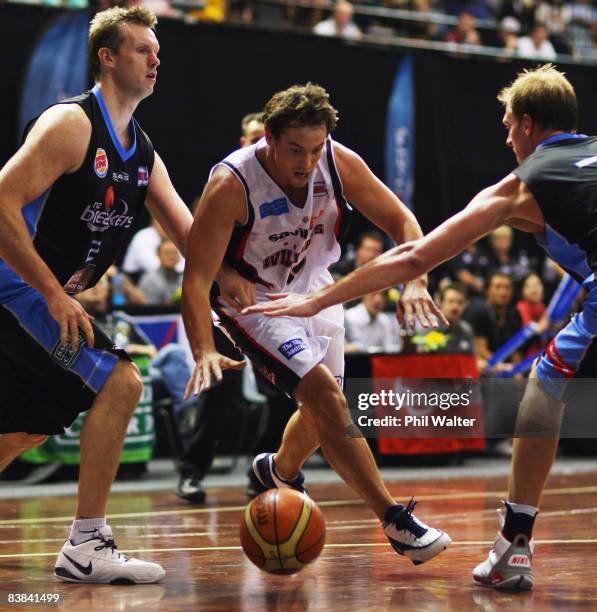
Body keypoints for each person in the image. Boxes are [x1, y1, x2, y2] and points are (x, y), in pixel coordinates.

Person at [246, 64, 597, 590]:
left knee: (542, 395)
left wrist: (318, 298)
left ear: (527, 124)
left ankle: (515, 544)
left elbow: (413, 256)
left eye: (507, 125)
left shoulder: (523, 183)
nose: (505, 137)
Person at [182, 83, 451, 565]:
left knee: (324, 413)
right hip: (257, 301)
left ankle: (278, 471)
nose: (306, 162)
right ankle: (394, 519)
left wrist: (416, 282)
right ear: (266, 137)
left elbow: (404, 222)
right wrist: (202, 345)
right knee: (326, 399)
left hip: (318, 290)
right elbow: (196, 276)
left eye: (315, 148)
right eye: (294, 150)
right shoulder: (231, 183)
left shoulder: (337, 161)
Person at [0, 6, 199, 585]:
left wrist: (244, 283)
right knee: (121, 381)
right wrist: (52, 294)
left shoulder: (142, 152)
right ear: (107, 57)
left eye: (157, 51)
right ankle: (87, 543)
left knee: (24, 429)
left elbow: (191, 238)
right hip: (16, 291)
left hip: (38, 298)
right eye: (142, 49)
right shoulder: (72, 124)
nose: (155, 58)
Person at [138, 238, 183, 304]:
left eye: (174, 253)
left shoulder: (184, 279)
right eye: (167, 253)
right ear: (158, 255)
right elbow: (149, 308)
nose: (171, 257)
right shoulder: (150, 280)